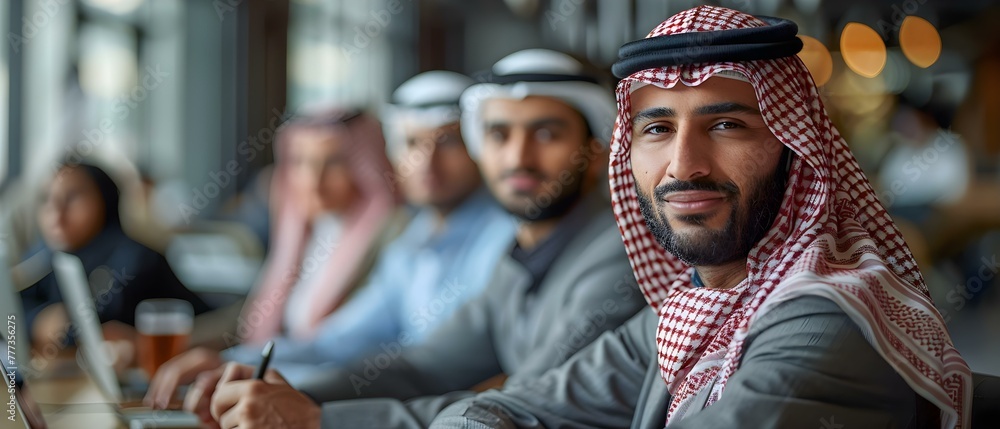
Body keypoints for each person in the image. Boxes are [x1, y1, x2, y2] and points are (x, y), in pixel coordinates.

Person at [422, 6, 972, 428]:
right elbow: (512, 407)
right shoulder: (694, 308)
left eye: (727, 125)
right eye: (657, 129)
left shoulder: (826, 320)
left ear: (796, 149)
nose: (684, 167)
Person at [191, 49, 648, 429]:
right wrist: (286, 394)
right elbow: (422, 367)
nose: (518, 157)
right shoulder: (525, 253)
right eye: (498, 133)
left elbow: (522, 406)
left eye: (546, 133)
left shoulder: (615, 254)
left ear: (597, 150)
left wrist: (318, 420)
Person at [143, 71, 517, 404]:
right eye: (412, 143)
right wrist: (238, 364)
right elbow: (338, 341)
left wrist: (283, 387)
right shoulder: (415, 241)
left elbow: (426, 370)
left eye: (448, 142)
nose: (427, 163)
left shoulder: (506, 238)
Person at [145, 109, 405, 402]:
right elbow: (254, 316)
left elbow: (342, 345)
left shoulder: (393, 234)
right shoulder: (307, 229)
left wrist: (239, 363)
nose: (313, 180)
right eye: (301, 163)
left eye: (332, 163)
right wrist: (175, 347)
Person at [19, 162, 210, 353]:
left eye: (72, 197)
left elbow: (94, 329)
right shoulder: (44, 257)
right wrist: (37, 319)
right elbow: (12, 309)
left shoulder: (134, 258)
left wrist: (57, 325)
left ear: (104, 199)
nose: (56, 213)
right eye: (47, 199)